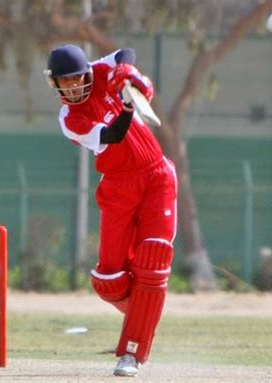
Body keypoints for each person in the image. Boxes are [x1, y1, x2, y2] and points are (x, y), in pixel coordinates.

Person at [45, 44, 177, 377]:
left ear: (86, 72)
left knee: (153, 259)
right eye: (66, 81)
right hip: (118, 186)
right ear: (55, 84)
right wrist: (129, 107)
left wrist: (127, 75)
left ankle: (131, 352)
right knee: (109, 281)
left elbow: (126, 52)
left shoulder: (99, 71)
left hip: (157, 175)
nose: (74, 86)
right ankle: (145, 314)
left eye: (77, 78)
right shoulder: (69, 118)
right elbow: (114, 134)